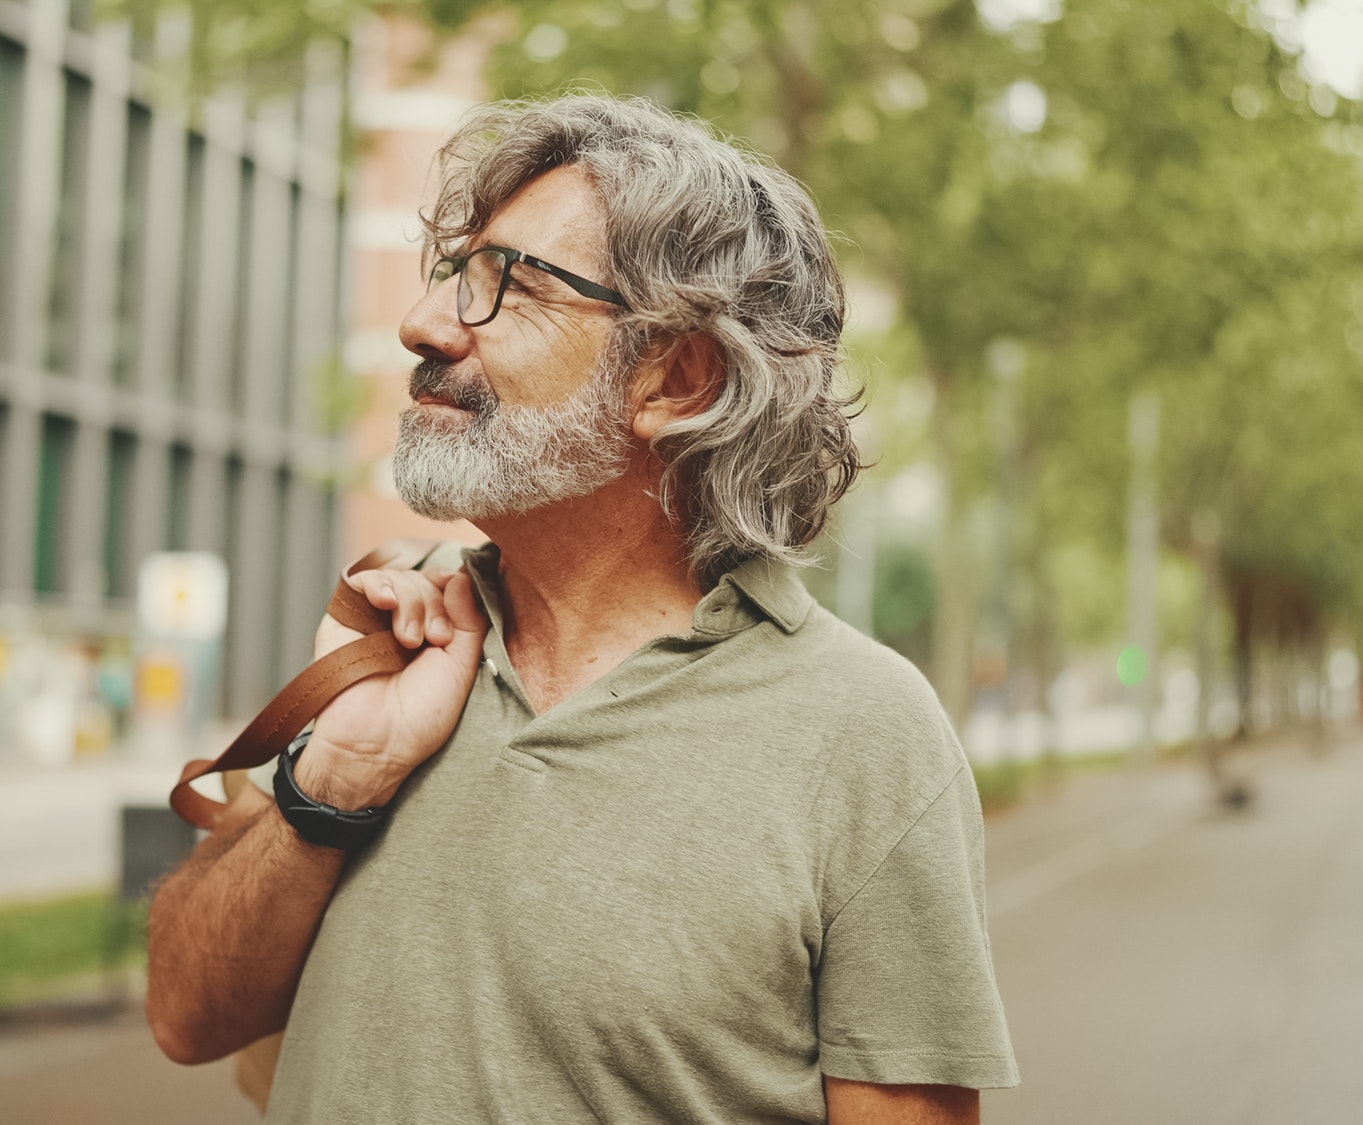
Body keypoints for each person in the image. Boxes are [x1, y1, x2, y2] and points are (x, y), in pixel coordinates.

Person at [147, 94, 1018, 1124]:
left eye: (505, 287)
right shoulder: (389, 633)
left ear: (676, 378)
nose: (423, 324)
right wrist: (334, 780)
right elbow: (183, 1015)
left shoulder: (864, 736)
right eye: (452, 272)